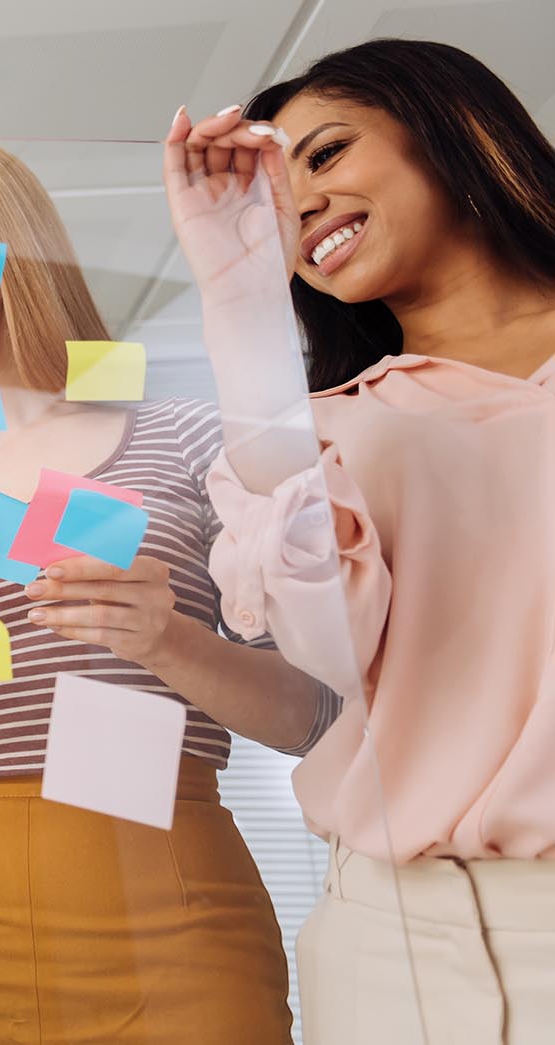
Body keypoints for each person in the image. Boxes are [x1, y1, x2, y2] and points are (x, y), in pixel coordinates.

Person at [0, 137, 336, 1044]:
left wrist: (168, 640)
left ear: (0, 250)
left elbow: (314, 712)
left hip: (174, 903)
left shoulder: (182, 439)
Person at [163, 38, 555, 1044]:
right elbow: (322, 641)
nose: (300, 204)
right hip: (394, 941)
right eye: (274, 199)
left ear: (456, 129)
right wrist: (240, 303)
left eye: (327, 155)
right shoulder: (326, 433)